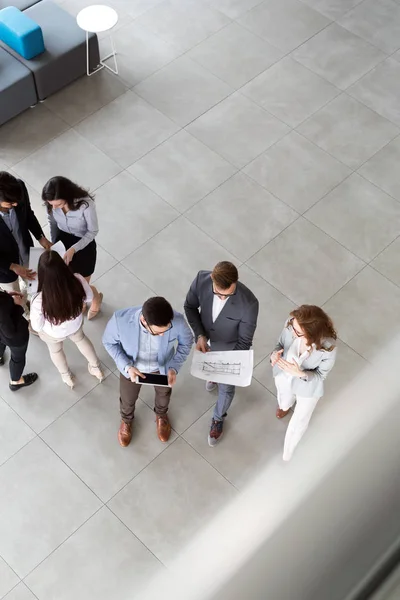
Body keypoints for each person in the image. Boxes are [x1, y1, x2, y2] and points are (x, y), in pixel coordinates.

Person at [184, 261, 259, 447]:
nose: (223, 298)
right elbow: (189, 307)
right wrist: (199, 334)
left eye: (229, 295)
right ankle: (212, 377)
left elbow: (244, 342)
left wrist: (224, 366)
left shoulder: (249, 303)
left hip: (230, 349)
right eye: (219, 294)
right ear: (212, 279)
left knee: (227, 389)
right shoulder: (201, 279)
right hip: (206, 342)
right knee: (209, 372)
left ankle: (218, 418)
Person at [103, 296, 194, 447]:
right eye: (158, 332)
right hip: (132, 368)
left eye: (166, 330)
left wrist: (173, 367)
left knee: (164, 394)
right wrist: (126, 366)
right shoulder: (120, 320)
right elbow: (109, 342)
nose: (163, 335)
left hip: (162, 368)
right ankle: (126, 420)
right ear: (144, 321)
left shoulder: (176, 320)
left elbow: (187, 341)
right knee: (127, 398)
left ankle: (161, 414)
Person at [270, 305, 337, 461]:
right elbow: (280, 343)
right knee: (283, 397)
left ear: (311, 334)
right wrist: (274, 355)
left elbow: (320, 376)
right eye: (293, 327)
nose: (292, 331)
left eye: (298, 332)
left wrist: (300, 374)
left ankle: (288, 452)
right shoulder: (292, 323)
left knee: (299, 421)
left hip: (308, 386)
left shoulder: (328, 348)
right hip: (284, 375)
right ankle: (285, 406)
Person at [30, 250, 104, 389]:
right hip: (75, 324)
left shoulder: (40, 299)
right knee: (82, 340)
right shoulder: (77, 279)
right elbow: (88, 298)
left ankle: (66, 376)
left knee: (56, 351)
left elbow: (37, 326)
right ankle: (96, 368)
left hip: (53, 333)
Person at [42, 176, 102, 320]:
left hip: (83, 243)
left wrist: (74, 249)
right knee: (68, 281)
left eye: (58, 204)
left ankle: (96, 298)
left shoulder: (85, 205)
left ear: (67, 196)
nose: (54, 208)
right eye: (52, 205)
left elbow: (92, 232)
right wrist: (54, 244)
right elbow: (53, 223)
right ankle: (81, 301)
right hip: (63, 241)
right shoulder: (52, 205)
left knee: (82, 285)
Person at [0, 171, 51, 303]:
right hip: (4, 268)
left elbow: (28, 214)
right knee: (14, 298)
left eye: (16, 201)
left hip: (25, 251)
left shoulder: (20, 187)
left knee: (35, 285)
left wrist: (40, 237)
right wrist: (12, 266)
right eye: (10, 203)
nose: (15, 205)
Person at [0, 289, 38, 391]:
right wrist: (18, 306)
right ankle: (15, 381)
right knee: (17, 358)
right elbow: (9, 332)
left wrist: (6, 296)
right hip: (15, 337)